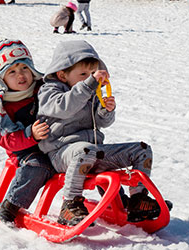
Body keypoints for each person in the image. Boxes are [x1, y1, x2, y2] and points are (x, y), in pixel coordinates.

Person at [37, 40, 169, 226]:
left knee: (142, 150)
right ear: (62, 74)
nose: (89, 78)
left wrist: (105, 111)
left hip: (93, 151)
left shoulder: (91, 91)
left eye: (92, 74)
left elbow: (102, 123)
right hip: (61, 153)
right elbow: (64, 107)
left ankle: (137, 200)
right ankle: (70, 205)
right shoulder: (50, 91)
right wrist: (89, 84)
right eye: (83, 74)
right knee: (85, 150)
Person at [0, 39, 56, 225]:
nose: (21, 75)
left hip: (55, 140)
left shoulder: (44, 89)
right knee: (39, 166)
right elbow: (7, 139)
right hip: (25, 150)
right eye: (12, 72)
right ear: (1, 78)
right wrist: (30, 134)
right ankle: (11, 205)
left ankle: (116, 203)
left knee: (89, 153)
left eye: (24, 68)